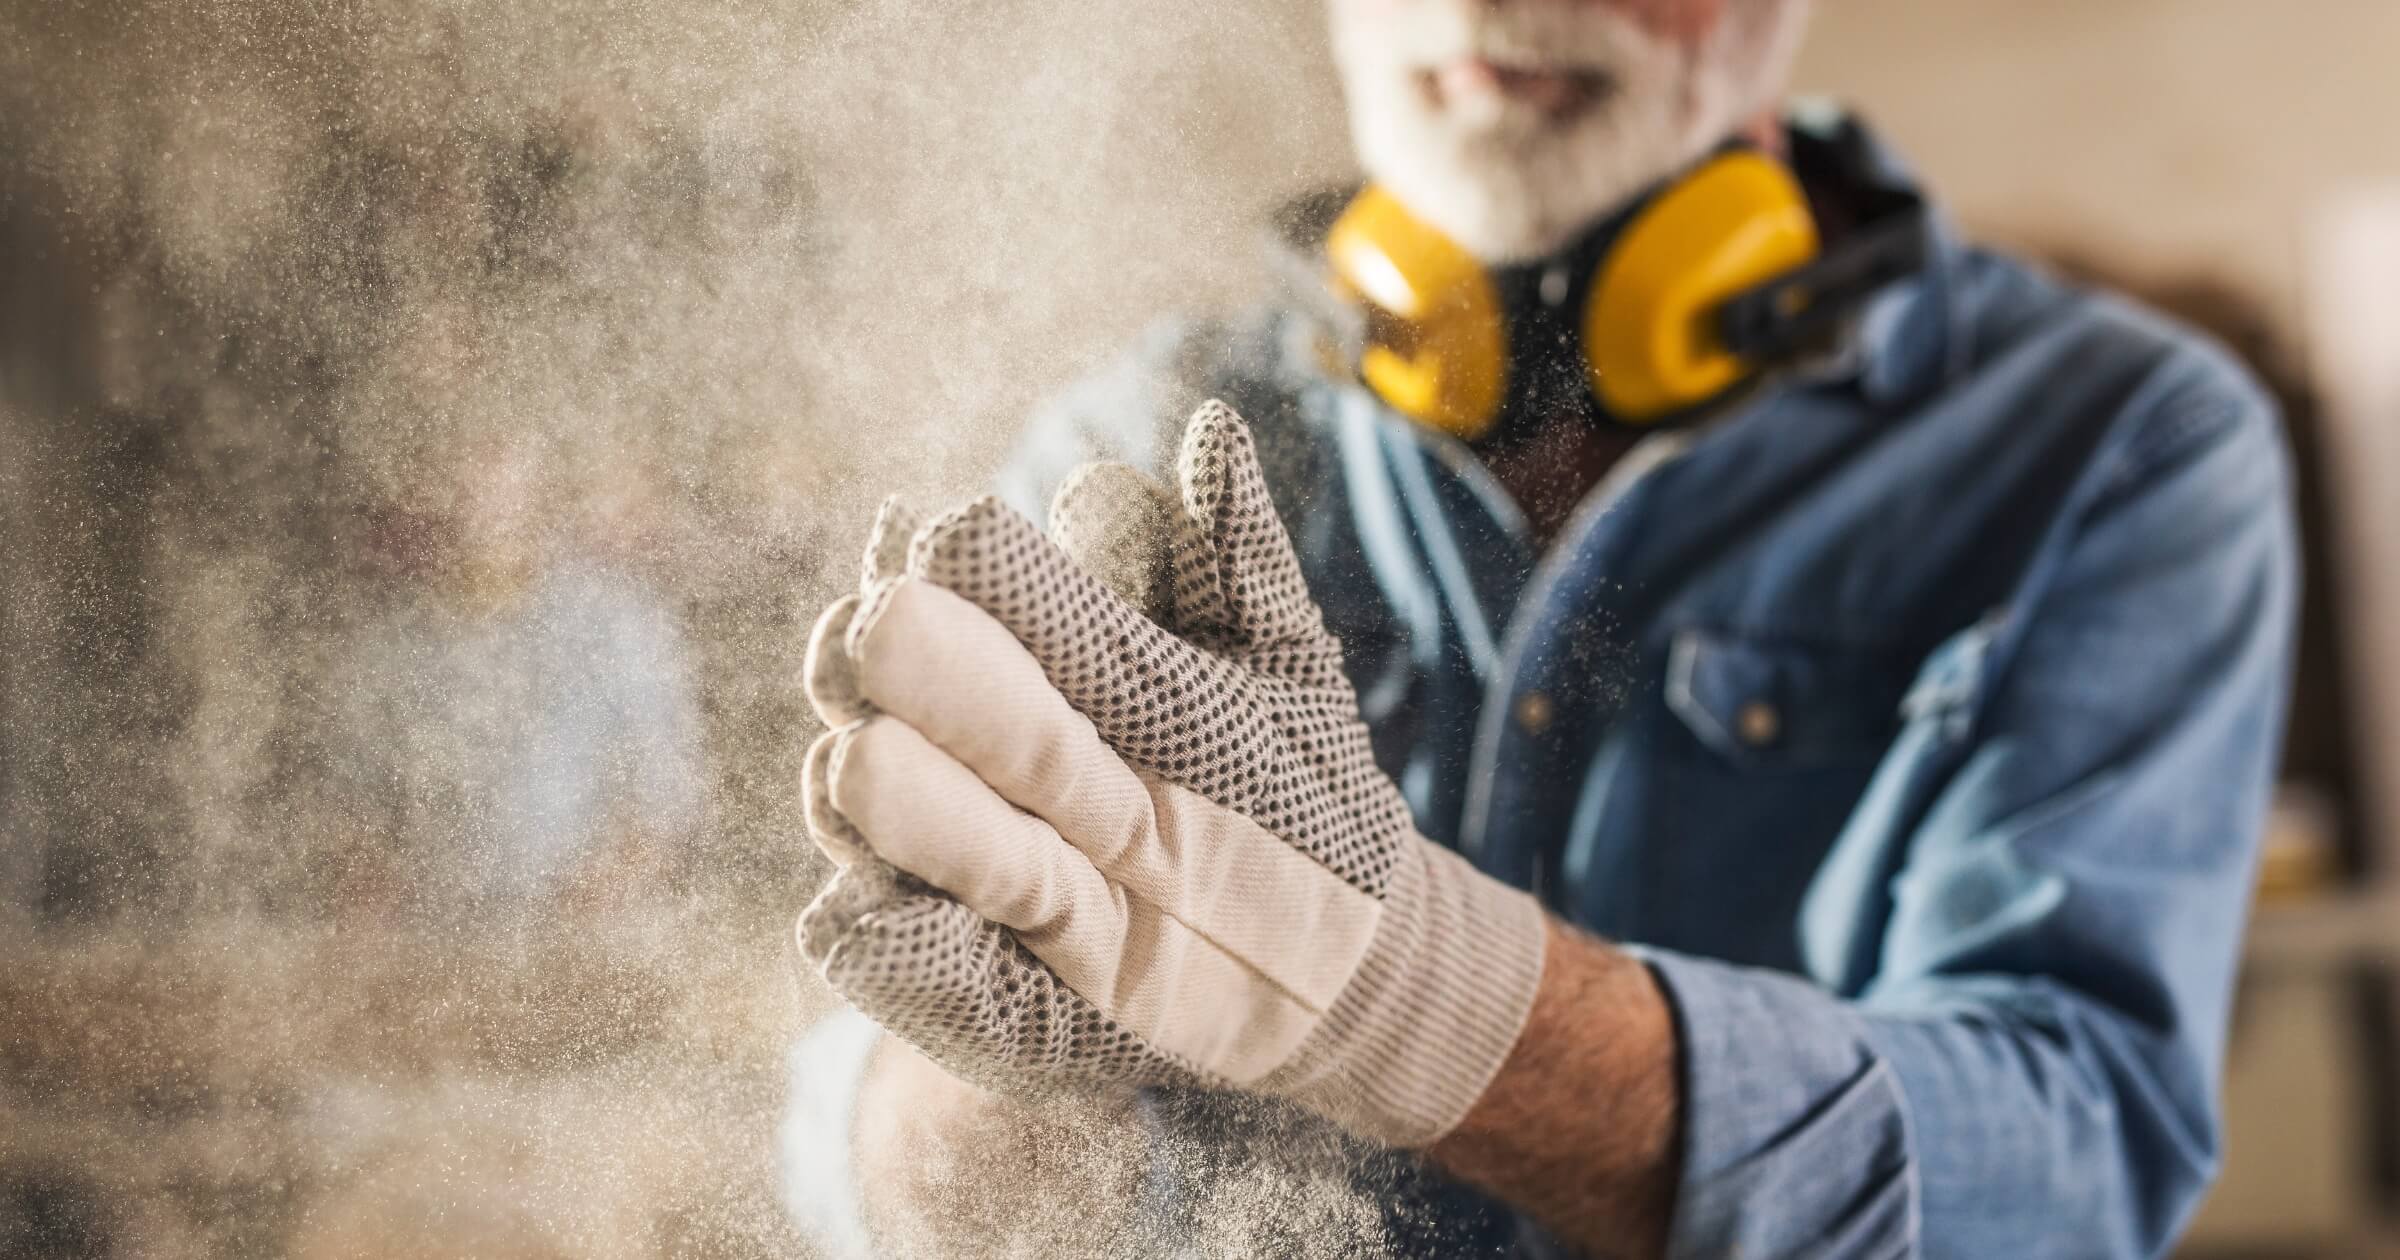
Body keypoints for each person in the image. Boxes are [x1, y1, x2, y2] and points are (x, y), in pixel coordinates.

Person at [784, 0, 2298, 1256]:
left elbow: (2067, 1173)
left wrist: (1408, 995)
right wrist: (1009, 1089)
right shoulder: (1149, 428)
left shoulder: (2116, 446)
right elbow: (856, 1158)